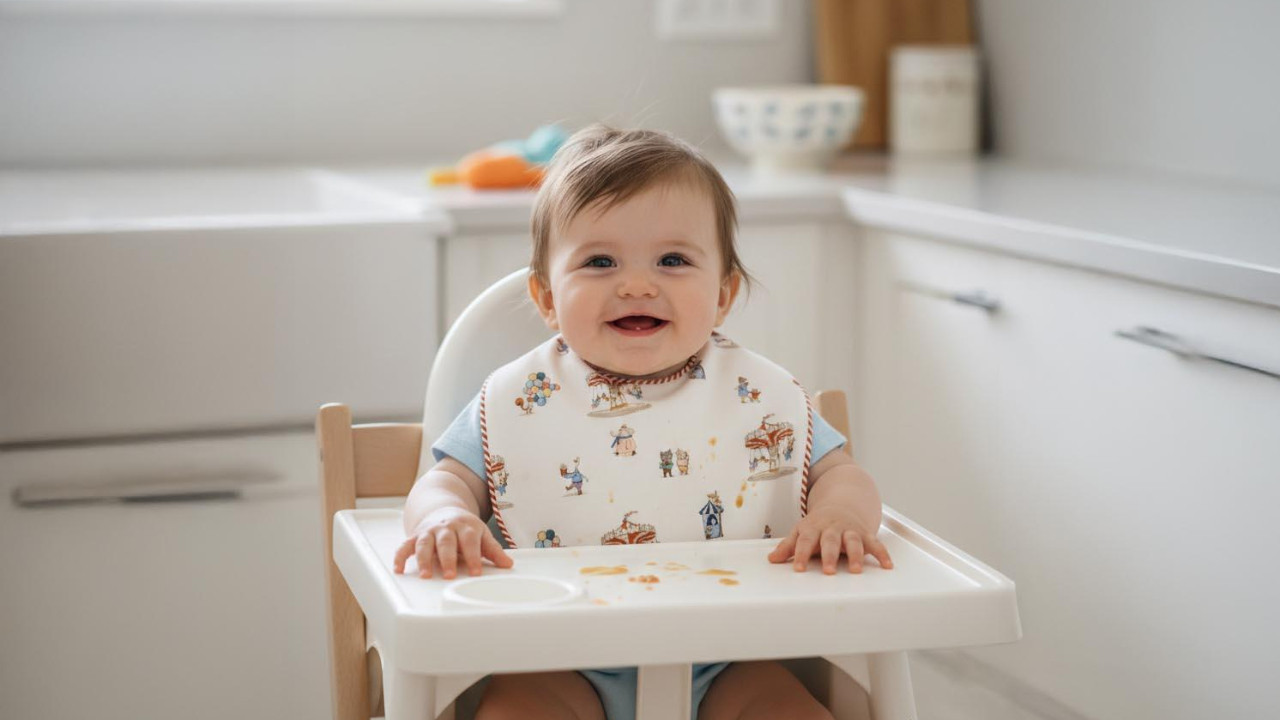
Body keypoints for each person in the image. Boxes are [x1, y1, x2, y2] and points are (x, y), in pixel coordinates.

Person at [392, 124, 893, 720]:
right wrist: (445, 517)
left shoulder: (757, 395)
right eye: (599, 261)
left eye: (673, 260)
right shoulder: (522, 398)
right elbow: (445, 481)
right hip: (556, 655)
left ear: (723, 294)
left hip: (734, 653)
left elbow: (840, 472)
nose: (636, 284)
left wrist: (841, 515)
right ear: (548, 297)